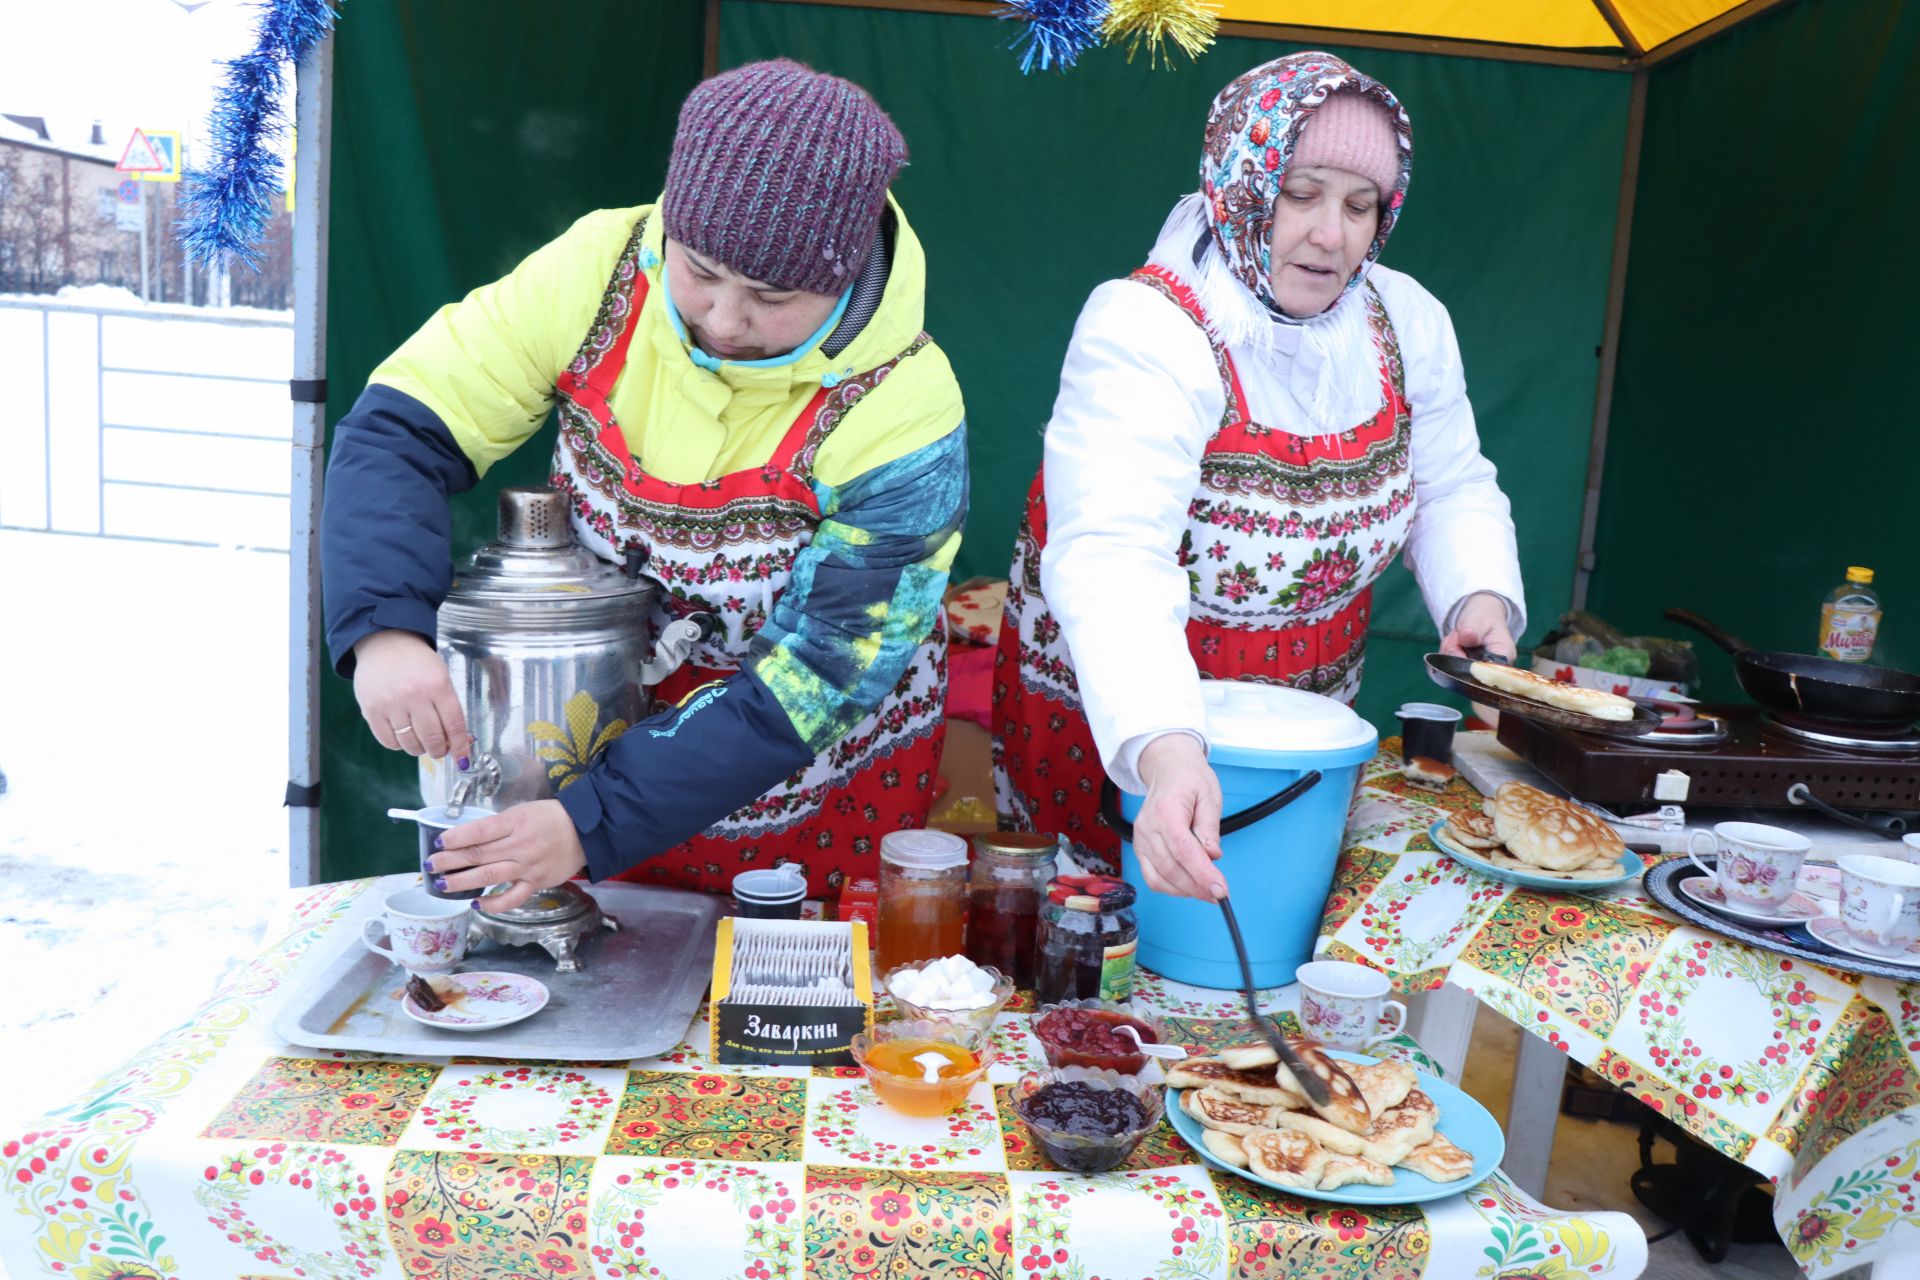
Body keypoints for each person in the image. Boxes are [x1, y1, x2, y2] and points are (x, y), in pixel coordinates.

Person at [322, 60, 968, 911]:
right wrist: (384, 630)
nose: (725, 320)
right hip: (594, 754)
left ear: (846, 273)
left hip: (811, 787)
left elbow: (818, 676)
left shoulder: (906, 408)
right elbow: (402, 427)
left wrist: (591, 823)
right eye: (699, 269)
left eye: (773, 297)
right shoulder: (599, 271)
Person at [993, 52, 1522, 903]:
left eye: (1360, 206)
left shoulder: (1407, 320)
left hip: (1299, 724)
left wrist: (1478, 602)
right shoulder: (1149, 326)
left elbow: (1453, 483)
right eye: (1301, 193)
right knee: (1106, 944)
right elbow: (1114, 553)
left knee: (1274, 926)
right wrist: (1166, 750)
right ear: (1242, 185)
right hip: (1129, 709)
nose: (1332, 233)